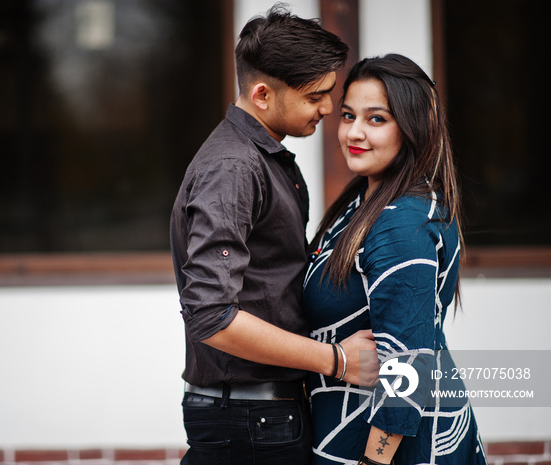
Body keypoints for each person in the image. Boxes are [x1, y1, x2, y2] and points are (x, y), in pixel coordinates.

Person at [170, 4, 378, 465]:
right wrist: (336, 361)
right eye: (315, 96)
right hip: (251, 419)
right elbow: (211, 315)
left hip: (257, 414)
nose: (328, 108)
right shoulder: (234, 168)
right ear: (262, 94)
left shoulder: (261, 159)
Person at [302, 54, 488, 464]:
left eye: (376, 119)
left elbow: (410, 367)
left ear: (412, 127)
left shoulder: (401, 223)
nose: (354, 132)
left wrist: (373, 462)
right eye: (348, 115)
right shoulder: (365, 200)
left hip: (394, 449)